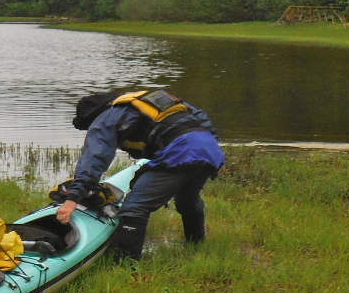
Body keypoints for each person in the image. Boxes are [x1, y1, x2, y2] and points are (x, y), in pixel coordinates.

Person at [57, 89, 225, 261]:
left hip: (180, 152)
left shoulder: (106, 117)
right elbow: (199, 117)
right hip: (209, 149)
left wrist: (73, 198)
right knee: (187, 198)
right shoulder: (154, 99)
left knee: (134, 207)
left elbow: (94, 157)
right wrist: (213, 150)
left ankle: (126, 265)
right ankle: (196, 246)